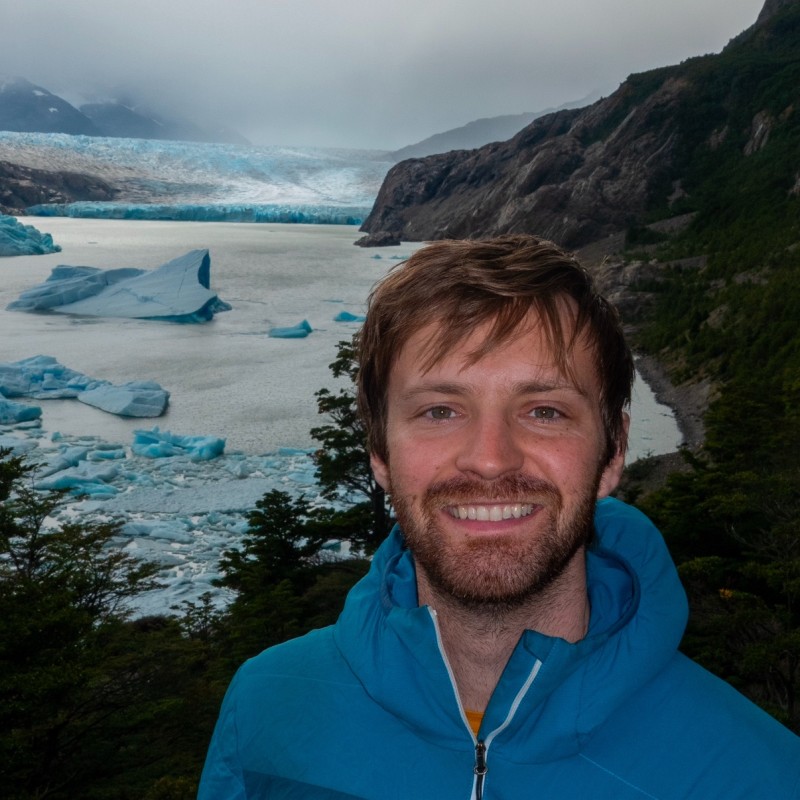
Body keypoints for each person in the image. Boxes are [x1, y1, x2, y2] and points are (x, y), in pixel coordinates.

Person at [199, 235, 800, 799]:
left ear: (614, 451)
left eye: (544, 411)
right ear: (380, 452)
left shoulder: (756, 774)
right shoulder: (267, 709)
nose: (490, 458)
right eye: (439, 411)